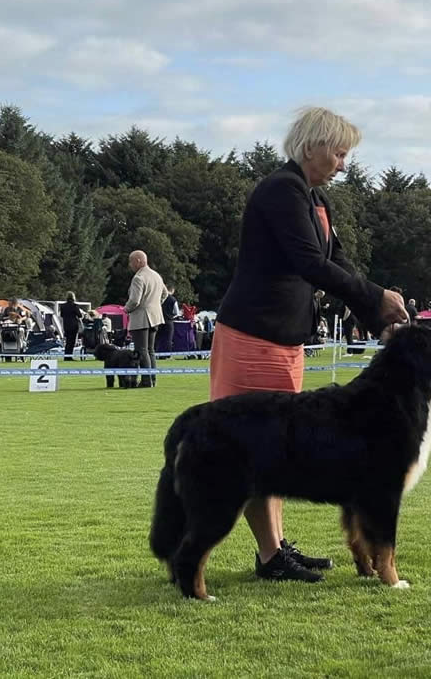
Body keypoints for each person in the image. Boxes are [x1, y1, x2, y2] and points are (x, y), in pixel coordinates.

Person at [211, 106, 408, 584]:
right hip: (253, 336)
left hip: (284, 339)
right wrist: (377, 298)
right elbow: (309, 263)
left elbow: (336, 259)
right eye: (339, 153)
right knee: (256, 450)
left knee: (276, 451)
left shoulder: (314, 197)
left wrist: (377, 316)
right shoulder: (282, 190)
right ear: (311, 146)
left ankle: (274, 549)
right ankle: (269, 554)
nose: (343, 164)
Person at [124, 250, 168, 387]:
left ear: (138, 261)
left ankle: (146, 380)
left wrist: (125, 309)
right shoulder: (156, 276)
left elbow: (134, 301)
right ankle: (152, 379)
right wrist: (154, 305)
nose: (130, 265)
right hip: (155, 317)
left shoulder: (139, 278)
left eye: (131, 262)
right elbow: (165, 293)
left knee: (141, 350)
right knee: (150, 350)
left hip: (141, 318)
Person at [59, 291, 84, 361]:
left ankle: (66, 356)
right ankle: (69, 356)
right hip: (73, 326)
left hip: (66, 325)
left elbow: (62, 315)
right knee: (72, 342)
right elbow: (79, 315)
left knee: (67, 342)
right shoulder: (75, 306)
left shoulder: (63, 306)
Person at [158, 286, 180, 356]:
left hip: (160, 320)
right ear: (172, 290)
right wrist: (171, 316)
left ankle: (158, 353)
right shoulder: (173, 299)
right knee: (168, 339)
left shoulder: (160, 298)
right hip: (169, 321)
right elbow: (177, 313)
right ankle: (167, 354)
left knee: (159, 338)